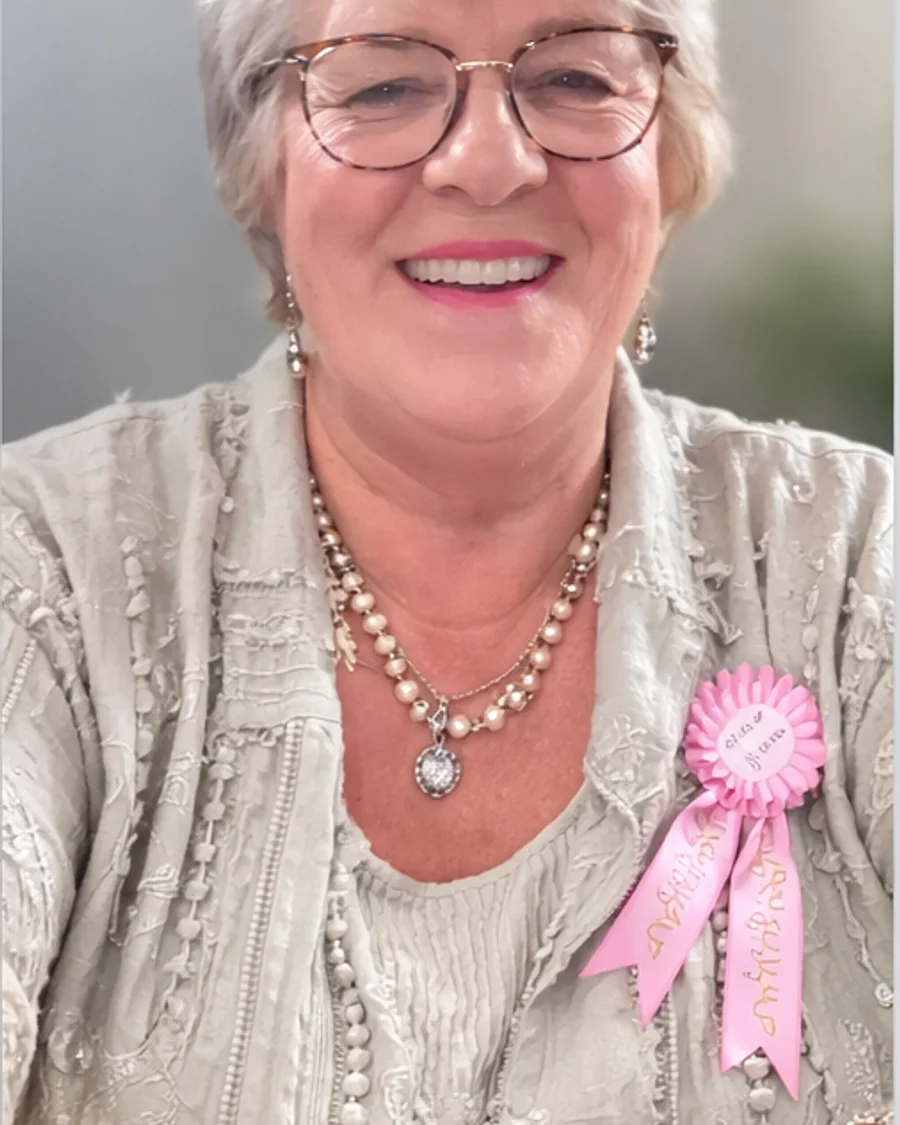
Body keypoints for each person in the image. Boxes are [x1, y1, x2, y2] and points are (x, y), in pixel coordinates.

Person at [2, 0, 892, 1121]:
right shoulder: (39, 571)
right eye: (381, 86)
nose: (489, 162)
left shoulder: (864, 563)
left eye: (574, 78)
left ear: (671, 154)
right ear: (263, 167)